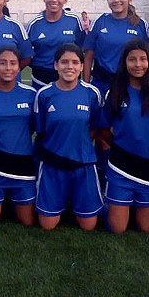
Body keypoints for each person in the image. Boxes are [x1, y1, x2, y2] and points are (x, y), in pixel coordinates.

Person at [102, 40, 149, 234]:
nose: (138, 64)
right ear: (124, 63)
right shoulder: (115, 92)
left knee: (146, 228)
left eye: (143, 59)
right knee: (117, 229)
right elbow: (103, 128)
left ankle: (134, 202)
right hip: (121, 166)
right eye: (132, 59)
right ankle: (116, 202)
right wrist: (119, 146)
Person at [34, 44, 104, 231]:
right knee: (47, 226)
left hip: (83, 163)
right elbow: (40, 131)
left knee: (88, 226)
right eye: (64, 62)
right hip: (52, 164)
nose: (69, 67)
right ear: (55, 65)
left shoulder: (91, 93)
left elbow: (95, 127)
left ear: (82, 66)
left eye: (75, 62)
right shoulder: (44, 94)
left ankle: (78, 202)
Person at [0, 47, 37, 228]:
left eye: (13, 63)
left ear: (19, 67)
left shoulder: (31, 94)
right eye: (3, 63)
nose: (8, 68)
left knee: (28, 222)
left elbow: (35, 127)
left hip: (23, 164)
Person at [83, 0, 149, 97]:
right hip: (101, 83)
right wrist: (85, 87)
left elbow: (148, 58)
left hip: (130, 85)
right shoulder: (99, 21)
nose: (116, 0)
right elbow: (88, 57)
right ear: (107, 0)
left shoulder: (141, 24)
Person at [26, 0, 85, 89]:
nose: (54, 0)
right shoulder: (34, 24)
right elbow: (26, 53)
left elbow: (81, 48)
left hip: (69, 78)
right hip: (41, 79)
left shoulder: (75, 21)